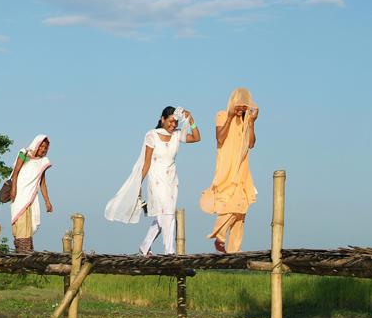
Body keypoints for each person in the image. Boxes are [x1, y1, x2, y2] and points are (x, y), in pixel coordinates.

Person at [105, 106, 201, 255]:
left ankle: (144, 247)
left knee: (162, 215)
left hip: (171, 181)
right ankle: (169, 251)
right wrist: (139, 183)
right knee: (167, 214)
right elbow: (146, 162)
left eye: (175, 122)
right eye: (170, 121)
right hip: (156, 180)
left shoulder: (176, 135)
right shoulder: (152, 135)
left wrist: (191, 119)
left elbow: (196, 138)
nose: (173, 125)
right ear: (162, 119)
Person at [200, 87, 258, 254]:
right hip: (227, 169)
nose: (241, 109)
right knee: (231, 206)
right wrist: (231, 115)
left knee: (242, 211)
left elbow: (251, 144)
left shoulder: (246, 121)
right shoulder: (222, 115)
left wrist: (252, 123)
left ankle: (233, 250)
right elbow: (220, 137)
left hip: (242, 170)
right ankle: (219, 236)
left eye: (244, 107)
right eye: (239, 105)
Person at [9, 135, 53, 252]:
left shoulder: (42, 162)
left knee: (28, 225)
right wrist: (13, 189)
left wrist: (47, 202)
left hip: (30, 197)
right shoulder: (24, 154)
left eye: (45, 148)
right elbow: (15, 173)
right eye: (41, 146)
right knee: (20, 221)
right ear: (36, 145)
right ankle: (22, 250)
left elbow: (42, 183)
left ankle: (26, 251)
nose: (43, 150)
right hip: (19, 195)